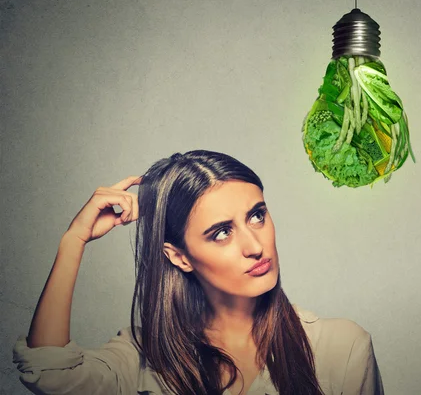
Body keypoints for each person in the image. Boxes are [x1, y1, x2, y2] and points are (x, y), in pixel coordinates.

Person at [13, 150, 384, 395]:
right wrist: (73, 240)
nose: (255, 245)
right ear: (179, 257)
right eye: (221, 232)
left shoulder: (342, 348)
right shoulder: (142, 356)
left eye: (257, 215)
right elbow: (50, 373)